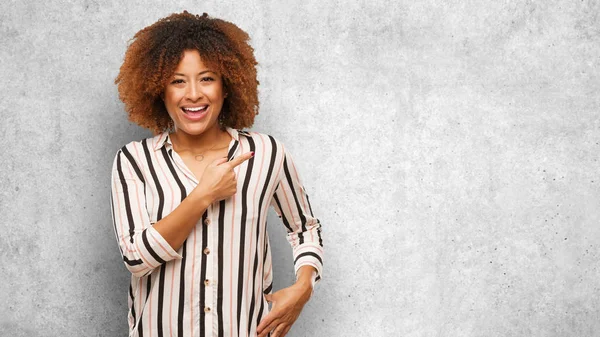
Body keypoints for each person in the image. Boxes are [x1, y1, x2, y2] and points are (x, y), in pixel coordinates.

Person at [110, 11, 324, 337]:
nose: (193, 93)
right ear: (159, 90)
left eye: (207, 78)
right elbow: (136, 257)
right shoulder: (134, 160)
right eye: (178, 81)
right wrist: (203, 194)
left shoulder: (266, 154)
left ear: (227, 86)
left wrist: (304, 286)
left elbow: (305, 228)